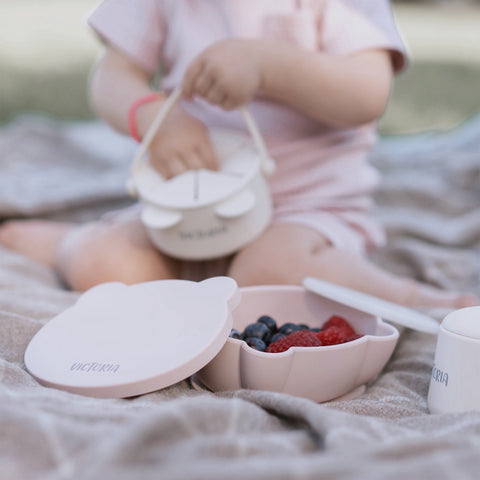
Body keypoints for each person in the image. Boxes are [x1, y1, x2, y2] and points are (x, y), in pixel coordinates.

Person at [0, 0, 477, 308]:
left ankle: (408, 301)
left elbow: (367, 93)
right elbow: (111, 76)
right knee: (108, 267)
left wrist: (267, 66)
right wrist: (151, 116)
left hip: (303, 209)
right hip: (188, 204)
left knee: (269, 279)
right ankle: (68, 245)